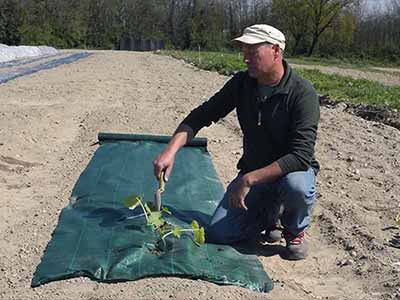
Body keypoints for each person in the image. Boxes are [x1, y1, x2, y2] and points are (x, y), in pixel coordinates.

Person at [153, 24, 320, 260]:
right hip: (254, 173)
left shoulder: (302, 93)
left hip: (289, 172)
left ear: (275, 50)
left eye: (252, 52)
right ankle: (270, 215)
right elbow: (201, 115)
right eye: (244, 52)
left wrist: (248, 179)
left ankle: (294, 229)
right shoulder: (242, 84)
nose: (245, 59)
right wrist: (170, 151)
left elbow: (300, 155)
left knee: (297, 186)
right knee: (219, 233)